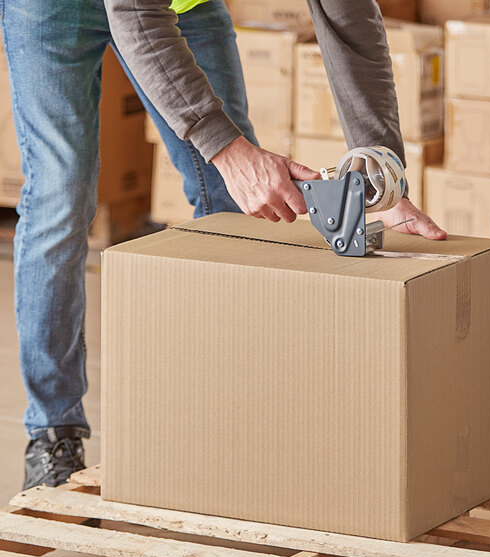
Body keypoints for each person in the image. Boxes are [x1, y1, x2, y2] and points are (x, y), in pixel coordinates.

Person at [1, 0, 446, 490]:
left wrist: (380, 168)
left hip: (175, 4)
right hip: (52, 7)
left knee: (230, 211)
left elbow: (349, 19)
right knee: (60, 197)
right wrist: (228, 151)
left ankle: (221, 424)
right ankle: (53, 431)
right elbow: (133, 14)